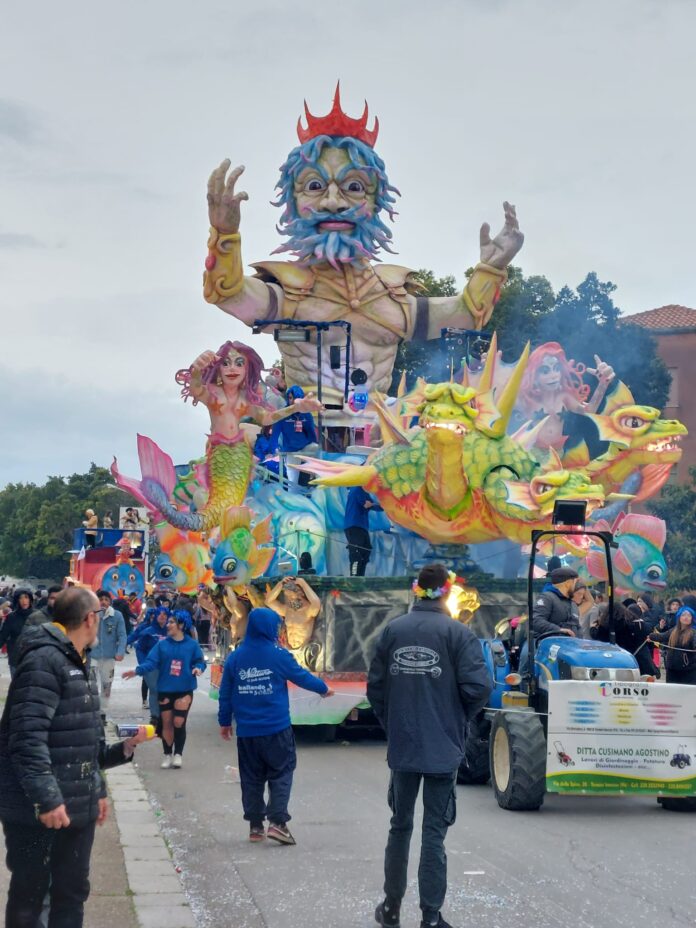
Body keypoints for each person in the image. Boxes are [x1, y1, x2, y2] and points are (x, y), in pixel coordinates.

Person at [0, 587, 152, 927]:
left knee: (71, 894)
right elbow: (26, 739)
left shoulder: (77, 660)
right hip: (36, 810)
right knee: (30, 896)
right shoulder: (44, 661)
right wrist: (49, 800)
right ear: (90, 619)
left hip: (75, 805)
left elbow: (81, 743)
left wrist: (104, 779)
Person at [367, 563, 493, 928]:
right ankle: (431, 917)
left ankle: (391, 909)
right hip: (443, 750)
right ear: (447, 593)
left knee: (399, 826)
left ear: (416, 591)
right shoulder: (458, 634)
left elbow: (375, 689)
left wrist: (392, 724)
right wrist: (457, 720)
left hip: (403, 748)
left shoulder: (393, 630)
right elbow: (479, 688)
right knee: (433, 835)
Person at [218, 607, 333, 845]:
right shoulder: (278, 654)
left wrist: (224, 722)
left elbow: (226, 692)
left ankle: (255, 826)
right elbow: (300, 675)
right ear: (271, 628)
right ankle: (278, 823)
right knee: (281, 773)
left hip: (247, 733)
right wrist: (324, 689)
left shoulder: (236, 657)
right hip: (276, 730)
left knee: (251, 778)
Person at [123, 611, 206, 769]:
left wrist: (198, 668)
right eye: (168, 622)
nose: (168, 625)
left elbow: (200, 662)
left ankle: (178, 755)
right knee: (166, 723)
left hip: (185, 689)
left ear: (181, 625)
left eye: (172, 622)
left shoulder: (192, 645)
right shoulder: (161, 645)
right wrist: (137, 671)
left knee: (178, 722)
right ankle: (167, 754)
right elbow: (151, 662)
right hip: (165, 689)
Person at [90, 589, 127, 719]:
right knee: (91, 684)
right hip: (92, 656)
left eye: (106, 600)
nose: (103, 602)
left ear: (110, 602)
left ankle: (102, 712)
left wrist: (120, 651)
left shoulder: (117, 616)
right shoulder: (91, 614)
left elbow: (122, 635)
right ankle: (91, 710)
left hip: (109, 657)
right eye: (101, 599)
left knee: (107, 685)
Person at [271, 385, 318, 486]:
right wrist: (272, 448)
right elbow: (275, 434)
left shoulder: (306, 414)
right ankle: (293, 497)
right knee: (292, 482)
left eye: (297, 398)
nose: (293, 401)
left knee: (316, 447)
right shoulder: (282, 414)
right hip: (290, 450)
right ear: (288, 398)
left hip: (304, 449)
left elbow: (311, 434)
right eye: (291, 398)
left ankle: (313, 477)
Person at [127, 606, 169, 720]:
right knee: (154, 690)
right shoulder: (147, 631)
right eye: (159, 613)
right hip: (151, 667)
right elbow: (139, 648)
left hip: (167, 667)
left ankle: (164, 715)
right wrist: (143, 663)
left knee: (166, 691)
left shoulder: (171, 631)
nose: (162, 616)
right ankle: (155, 716)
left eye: (165, 614)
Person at [266, 575, 321, 652]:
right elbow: (269, 602)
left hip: (304, 650)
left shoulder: (308, 610)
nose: (289, 599)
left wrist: (303, 583)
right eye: (287, 596)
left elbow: (316, 603)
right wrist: (280, 584)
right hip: (290, 650)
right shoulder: (287, 610)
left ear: (300, 593)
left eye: (291, 596)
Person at [650, 605, 696, 684]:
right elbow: (662, 636)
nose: (686, 617)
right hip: (671, 670)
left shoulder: (693, 633)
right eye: (683, 615)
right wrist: (651, 636)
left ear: (692, 618)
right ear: (679, 617)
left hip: (688, 672)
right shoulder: (673, 631)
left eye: (689, 615)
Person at [344, 485, 383, 577]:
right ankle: (354, 577)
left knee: (366, 550)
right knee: (356, 552)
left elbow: (373, 505)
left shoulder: (363, 491)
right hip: (354, 524)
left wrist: (386, 506)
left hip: (362, 526)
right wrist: (373, 504)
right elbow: (366, 504)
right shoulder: (357, 488)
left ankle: (360, 576)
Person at [530, 567, 580, 639]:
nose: (576, 586)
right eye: (575, 583)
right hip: (548, 645)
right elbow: (535, 620)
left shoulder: (573, 604)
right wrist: (558, 630)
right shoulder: (547, 598)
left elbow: (578, 627)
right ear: (568, 583)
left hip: (571, 646)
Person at [0, 588, 36, 677]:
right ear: (17, 600)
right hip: (15, 658)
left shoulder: (38, 616)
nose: (24, 601)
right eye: (21, 598)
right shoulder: (11, 617)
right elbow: (2, 637)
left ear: (30, 599)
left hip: (33, 658)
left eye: (26, 597)